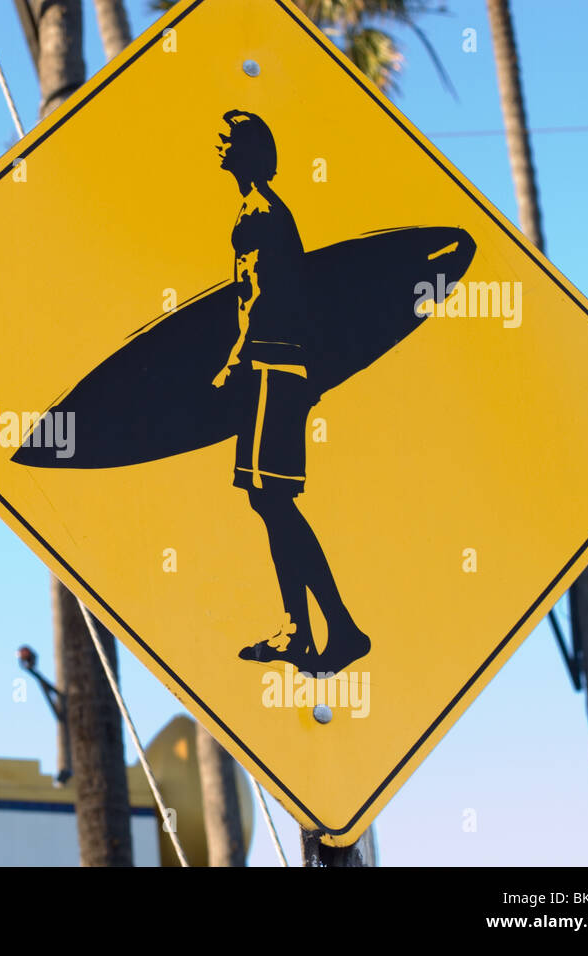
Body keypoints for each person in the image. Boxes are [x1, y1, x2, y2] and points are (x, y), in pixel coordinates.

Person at [211, 109, 370, 675]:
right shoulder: (267, 212)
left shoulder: (259, 215)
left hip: (271, 368)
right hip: (284, 370)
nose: (219, 148)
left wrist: (235, 361)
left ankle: (328, 627)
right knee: (269, 499)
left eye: (227, 141)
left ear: (251, 151)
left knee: (272, 498)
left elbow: (257, 295)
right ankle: (307, 630)